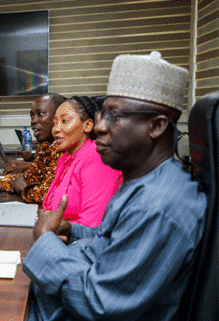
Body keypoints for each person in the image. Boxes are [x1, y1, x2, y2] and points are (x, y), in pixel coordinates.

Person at [23, 51, 207, 321]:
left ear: (156, 126)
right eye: (102, 115)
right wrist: (70, 229)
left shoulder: (158, 205)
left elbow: (98, 303)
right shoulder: (145, 180)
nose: (98, 128)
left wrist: (45, 243)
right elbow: (108, 238)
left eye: (114, 117)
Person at [0, 93, 66, 203]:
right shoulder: (46, 148)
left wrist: (23, 189)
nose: (33, 121)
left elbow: (54, 196)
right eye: (32, 116)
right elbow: (28, 179)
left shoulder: (65, 150)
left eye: (40, 114)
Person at [41, 96, 122, 227]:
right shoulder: (66, 157)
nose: (56, 129)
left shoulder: (97, 156)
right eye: (54, 123)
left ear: (88, 125)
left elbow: (92, 225)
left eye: (64, 121)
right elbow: (50, 207)